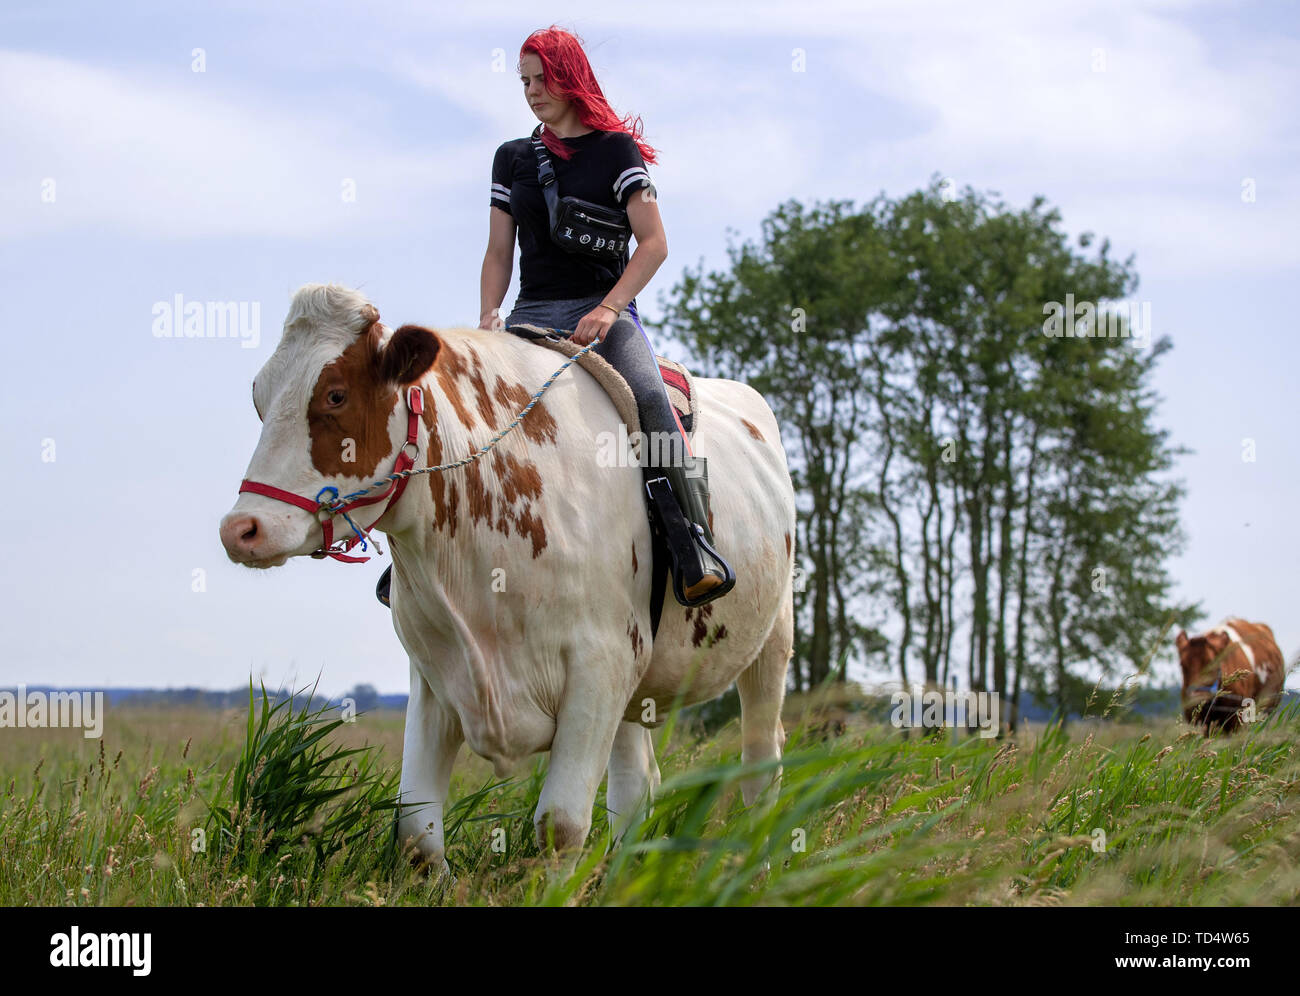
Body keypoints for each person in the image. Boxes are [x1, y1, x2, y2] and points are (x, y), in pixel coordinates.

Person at [376, 25, 732, 610]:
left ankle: (691, 542)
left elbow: (654, 243)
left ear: (570, 76)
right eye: (524, 81)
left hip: (604, 315)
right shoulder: (512, 158)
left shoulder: (615, 151)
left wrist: (609, 308)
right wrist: (489, 315)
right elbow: (498, 251)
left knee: (648, 400)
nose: (532, 91)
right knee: (459, 408)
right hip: (529, 316)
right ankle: (418, 561)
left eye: (542, 79)